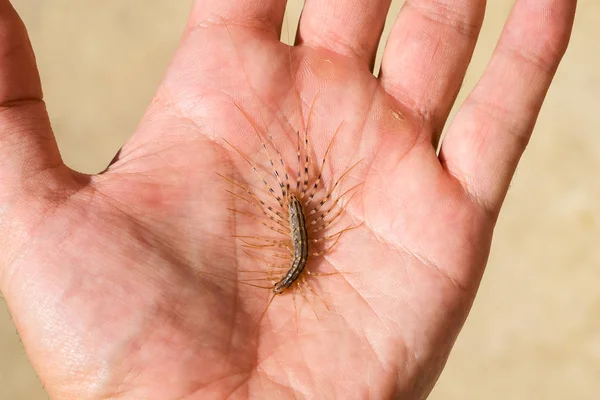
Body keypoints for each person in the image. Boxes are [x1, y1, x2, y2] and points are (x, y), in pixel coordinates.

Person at [0, 0, 576, 398]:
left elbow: (305, 248)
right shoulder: (297, 257)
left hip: (299, 215)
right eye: (290, 278)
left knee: (301, 202)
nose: (292, 275)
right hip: (300, 217)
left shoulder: (299, 252)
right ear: (291, 278)